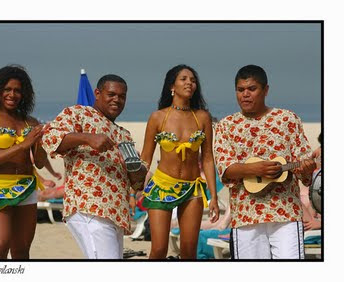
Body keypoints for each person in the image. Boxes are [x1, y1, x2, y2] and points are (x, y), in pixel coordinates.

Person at [213, 64, 316, 259]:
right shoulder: (226, 125)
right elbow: (225, 169)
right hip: (245, 215)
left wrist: (306, 168)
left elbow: (304, 167)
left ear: (265, 90)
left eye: (252, 89)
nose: (245, 94)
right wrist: (255, 169)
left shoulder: (288, 119)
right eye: (240, 90)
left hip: (286, 213)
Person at [41, 74, 147, 259]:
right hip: (90, 207)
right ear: (97, 93)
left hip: (117, 214)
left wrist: (136, 169)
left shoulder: (124, 134)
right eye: (112, 94)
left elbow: (137, 184)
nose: (117, 100)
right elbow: (49, 137)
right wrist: (88, 138)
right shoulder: (78, 113)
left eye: (122, 96)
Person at [139, 64, 220, 259]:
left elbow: (208, 159)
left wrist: (214, 197)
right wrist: (135, 189)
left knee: (189, 250)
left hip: (193, 188)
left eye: (192, 80)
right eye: (184, 79)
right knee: (158, 250)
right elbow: (145, 159)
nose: (189, 83)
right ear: (172, 86)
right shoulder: (158, 117)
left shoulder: (202, 117)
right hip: (162, 186)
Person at [0, 65, 47, 259]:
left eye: (17, 90)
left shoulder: (31, 122)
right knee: (0, 245)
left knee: (22, 251)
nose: (12, 94)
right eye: (7, 89)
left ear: (24, 94)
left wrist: (41, 141)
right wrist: (23, 145)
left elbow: (40, 163)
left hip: (27, 187)